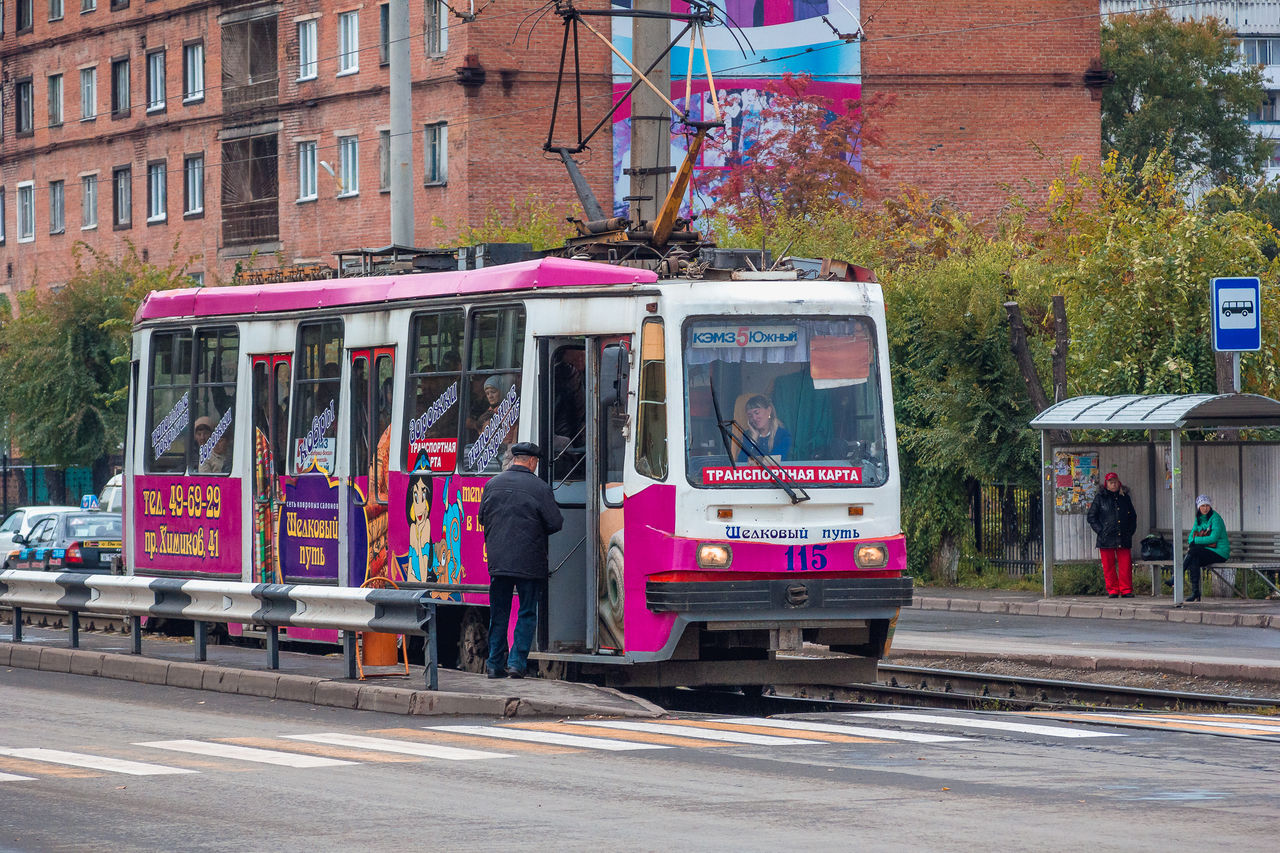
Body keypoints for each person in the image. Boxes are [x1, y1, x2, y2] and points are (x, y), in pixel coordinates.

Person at [478, 442, 563, 679]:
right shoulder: (540, 488)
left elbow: (482, 518)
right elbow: (556, 523)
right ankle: (516, 663)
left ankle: (494, 664)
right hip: (529, 562)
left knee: (499, 612)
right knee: (526, 612)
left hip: (498, 562)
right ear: (533, 462)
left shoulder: (492, 484)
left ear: (515, 459)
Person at [1085, 472, 1137, 598]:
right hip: (1106, 537)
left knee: (1125, 565)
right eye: (1111, 482)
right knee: (1108, 566)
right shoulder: (1100, 498)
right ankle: (1113, 590)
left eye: (1115, 482)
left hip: (1123, 536)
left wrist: (1130, 531)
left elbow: (1132, 516)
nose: (1113, 484)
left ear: (1119, 483)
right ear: (1106, 484)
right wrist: (1101, 530)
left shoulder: (1125, 497)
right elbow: (1091, 517)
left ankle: (1126, 589)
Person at [1178, 494, 1229, 603]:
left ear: (1210, 506)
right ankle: (1195, 592)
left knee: (1193, 551)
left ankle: (1178, 575)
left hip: (1220, 552)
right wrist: (1193, 540)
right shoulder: (1199, 519)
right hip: (1206, 551)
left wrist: (1195, 541)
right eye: (1202, 506)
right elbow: (1191, 536)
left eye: (1207, 505)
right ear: (1198, 507)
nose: (1205, 508)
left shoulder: (1216, 518)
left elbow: (1213, 538)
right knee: (1193, 558)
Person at [737, 394, 792, 462]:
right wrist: (753, 440)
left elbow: (774, 462)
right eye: (750, 415)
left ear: (769, 411)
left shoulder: (782, 435)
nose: (754, 418)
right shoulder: (748, 435)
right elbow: (741, 463)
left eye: (757, 413)